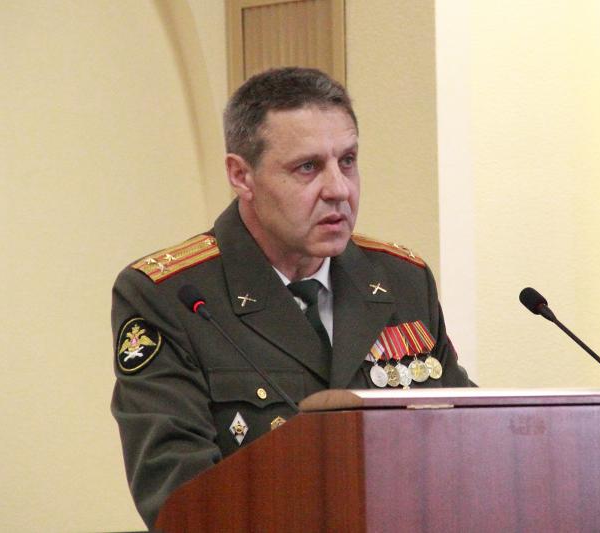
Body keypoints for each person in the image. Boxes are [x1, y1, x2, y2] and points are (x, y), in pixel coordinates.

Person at [111, 67, 472, 528]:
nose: (338, 189)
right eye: (308, 167)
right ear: (241, 176)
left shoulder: (402, 279)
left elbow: (467, 441)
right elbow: (179, 497)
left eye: (347, 161)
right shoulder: (171, 297)